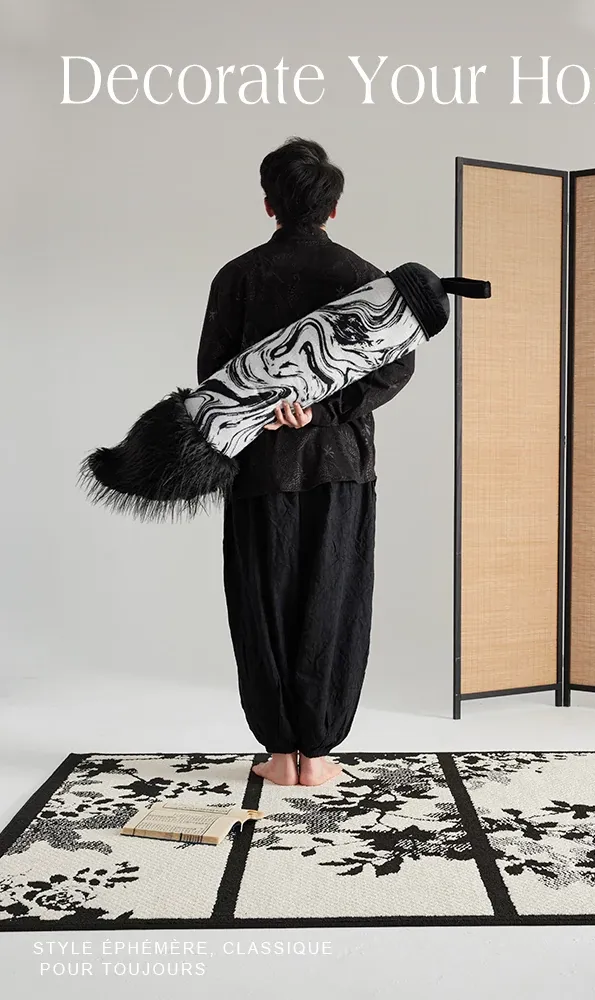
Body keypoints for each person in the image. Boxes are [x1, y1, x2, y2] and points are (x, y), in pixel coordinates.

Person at [196, 137, 415, 787]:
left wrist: (271, 407)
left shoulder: (237, 277)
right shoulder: (365, 278)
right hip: (340, 465)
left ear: (269, 204)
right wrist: (321, 410)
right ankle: (317, 754)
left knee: (263, 600)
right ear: (333, 208)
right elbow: (396, 366)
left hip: (258, 466)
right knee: (332, 597)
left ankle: (279, 752)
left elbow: (213, 377)